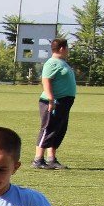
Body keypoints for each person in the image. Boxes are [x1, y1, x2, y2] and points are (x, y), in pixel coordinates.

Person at [32, 38, 76, 170]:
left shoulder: (62, 62)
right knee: (48, 128)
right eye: (67, 47)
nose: (68, 50)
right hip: (53, 102)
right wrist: (51, 99)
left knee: (59, 130)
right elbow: (46, 81)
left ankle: (51, 159)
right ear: (62, 48)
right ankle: (38, 159)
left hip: (64, 102)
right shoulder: (52, 63)